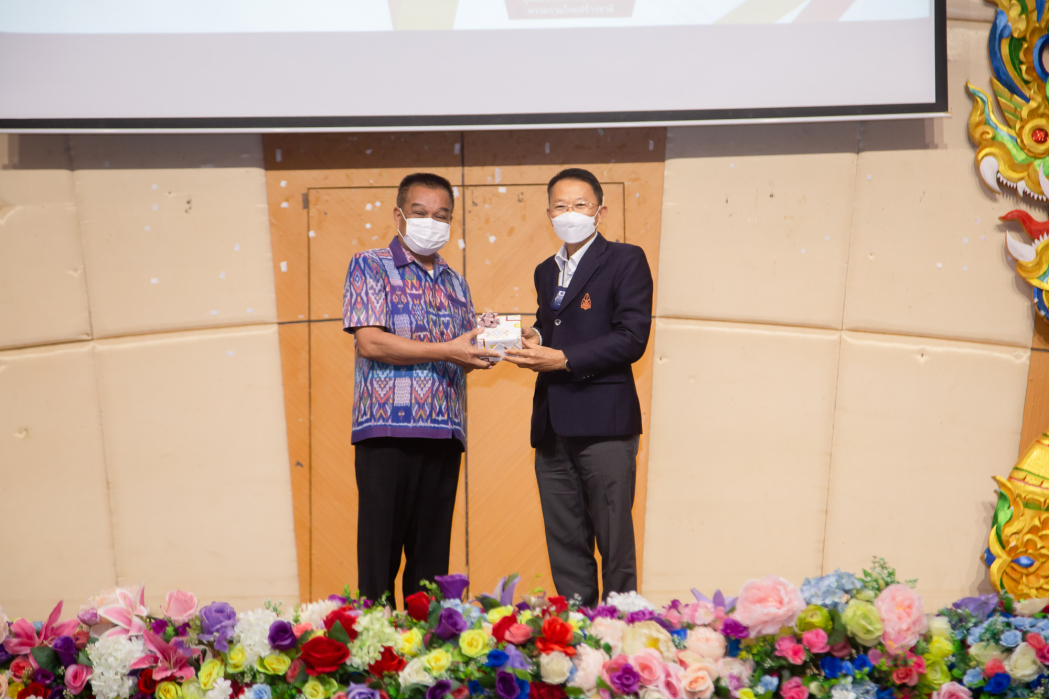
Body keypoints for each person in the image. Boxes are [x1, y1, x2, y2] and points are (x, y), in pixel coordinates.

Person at [342, 172, 497, 603]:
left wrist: (487, 348)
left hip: (444, 434)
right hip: (386, 433)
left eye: (441, 216)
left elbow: (458, 355)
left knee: (431, 572)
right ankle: (375, 641)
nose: (432, 222)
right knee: (379, 561)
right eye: (421, 212)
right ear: (399, 215)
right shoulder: (370, 264)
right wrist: (448, 349)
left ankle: (428, 644)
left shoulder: (455, 282)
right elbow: (371, 342)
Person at [504, 167, 653, 608]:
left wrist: (563, 358)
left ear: (600, 212)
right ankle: (573, 632)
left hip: (605, 423)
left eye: (580, 205)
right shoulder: (545, 271)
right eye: (561, 206)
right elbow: (553, 325)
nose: (570, 213)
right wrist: (534, 337)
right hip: (552, 425)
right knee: (565, 545)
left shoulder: (625, 259)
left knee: (614, 541)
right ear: (549, 214)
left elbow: (632, 337)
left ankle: (620, 631)